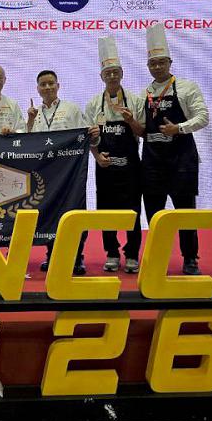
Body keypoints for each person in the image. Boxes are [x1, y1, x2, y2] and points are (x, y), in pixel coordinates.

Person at [134, 24, 209, 276]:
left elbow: (203, 117)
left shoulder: (187, 87)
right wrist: (131, 123)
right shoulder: (144, 93)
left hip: (181, 161)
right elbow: (142, 129)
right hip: (152, 162)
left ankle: (190, 258)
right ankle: (156, 259)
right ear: (148, 66)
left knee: (185, 213)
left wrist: (178, 128)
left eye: (161, 62)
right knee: (154, 214)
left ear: (170, 62)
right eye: (152, 63)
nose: (157, 67)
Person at [84, 37, 144, 274]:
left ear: (122, 74)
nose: (111, 76)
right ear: (102, 77)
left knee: (133, 212)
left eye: (115, 72)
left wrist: (131, 121)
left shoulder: (135, 100)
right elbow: (89, 139)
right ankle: (111, 252)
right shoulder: (93, 104)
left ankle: (132, 254)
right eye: (107, 73)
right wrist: (97, 156)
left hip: (131, 167)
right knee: (106, 212)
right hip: (105, 167)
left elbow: (143, 132)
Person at [27, 70, 92, 275]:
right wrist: (29, 122)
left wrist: (94, 135)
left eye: (51, 83)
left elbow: (86, 136)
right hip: (45, 173)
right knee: (49, 213)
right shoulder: (34, 113)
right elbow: (26, 143)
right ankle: (52, 255)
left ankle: (77, 257)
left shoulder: (71, 109)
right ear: (38, 89)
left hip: (70, 172)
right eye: (43, 84)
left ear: (58, 86)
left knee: (74, 211)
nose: (47, 87)